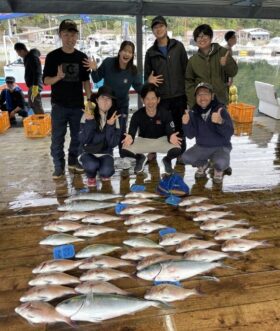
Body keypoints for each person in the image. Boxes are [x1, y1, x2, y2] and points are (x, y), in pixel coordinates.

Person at [43, 19, 92, 179]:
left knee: (78, 137)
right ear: (60, 35)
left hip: (77, 105)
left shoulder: (82, 57)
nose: (70, 38)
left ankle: (73, 161)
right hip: (59, 106)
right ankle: (58, 166)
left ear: (77, 36)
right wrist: (57, 77)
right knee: (57, 138)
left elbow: (86, 81)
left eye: (73, 34)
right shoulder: (52, 56)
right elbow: (45, 81)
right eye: (66, 34)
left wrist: (89, 102)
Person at [83, 41, 142, 156]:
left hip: (121, 106)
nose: (127, 54)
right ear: (119, 52)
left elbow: (140, 88)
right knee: (103, 129)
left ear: (132, 55)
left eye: (130, 52)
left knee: (121, 132)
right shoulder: (108, 62)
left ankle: (124, 156)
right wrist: (94, 70)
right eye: (125, 50)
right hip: (105, 105)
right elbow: (96, 79)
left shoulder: (133, 71)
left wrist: (150, 87)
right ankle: (105, 154)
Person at [144, 15, 188, 154]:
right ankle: (156, 153)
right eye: (155, 27)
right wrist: (149, 81)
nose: (158, 29)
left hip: (179, 95)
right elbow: (146, 77)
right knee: (160, 127)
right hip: (161, 98)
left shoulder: (178, 46)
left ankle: (180, 154)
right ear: (153, 31)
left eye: (161, 26)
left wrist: (188, 95)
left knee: (180, 127)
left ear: (166, 27)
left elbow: (187, 70)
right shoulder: (150, 53)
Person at [121, 83, 182, 175]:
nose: (150, 102)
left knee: (178, 148)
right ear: (142, 100)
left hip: (161, 140)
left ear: (158, 100)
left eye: (153, 98)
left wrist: (171, 136)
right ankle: (140, 158)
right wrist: (130, 137)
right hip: (144, 141)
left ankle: (167, 160)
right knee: (124, 149)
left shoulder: (165, 114)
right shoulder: (137, 115)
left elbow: (170, 131)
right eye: (147, 99)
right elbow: (132, 133)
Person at [181, 82, 234, 184]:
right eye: (199, 95)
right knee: (185, 157)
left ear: (212, 96)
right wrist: (185, 123)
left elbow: (230, 132)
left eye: (205, 93)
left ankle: (218, 170)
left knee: (221, 163)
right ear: (196, 98)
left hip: (221, 147)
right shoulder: (193, 112)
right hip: (202, 147)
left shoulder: (221, 110)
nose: (202, 97)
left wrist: (220, 122)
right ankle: (203, 164)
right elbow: (190, 135)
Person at [185, 24, 238, 108]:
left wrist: (226, 64)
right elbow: (189, 83)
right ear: (195, 40)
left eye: (204, 36)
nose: (202, 39)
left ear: (210, 37)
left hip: (221, 102)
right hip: (201, 104)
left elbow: (233, 72)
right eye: (198, 37)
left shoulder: (223, 52)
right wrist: (192, 104)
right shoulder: (192, 60)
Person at [78, 86, 121, 187]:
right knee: (91, 165)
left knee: (106, 172)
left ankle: (103, 170)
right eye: (103, 98)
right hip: (88, 152)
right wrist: (90, 122)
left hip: (106, 153)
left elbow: (113, 143)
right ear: (97, 100)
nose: (105, 101)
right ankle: (91, 176)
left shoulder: (114, 118)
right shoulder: (88, 115)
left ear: (112, 102)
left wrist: (110, 126)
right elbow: (83, 140)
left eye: (108, 99)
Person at [14, 42, 44, 114]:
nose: (18, 55)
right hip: (32, 84)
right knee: (32, 103)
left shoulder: (33, 57)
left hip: (35, 84)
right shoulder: (27, 57)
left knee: (35, 103)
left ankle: (42, 120)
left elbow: (37, 72)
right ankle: (39, 119)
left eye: (18, 52)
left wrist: (35, 86)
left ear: (22, 50)